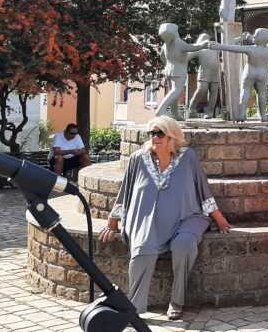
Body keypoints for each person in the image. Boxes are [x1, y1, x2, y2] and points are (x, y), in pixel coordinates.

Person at [99, 116, 231, 320]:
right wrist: (113, 221)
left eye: (160, 133)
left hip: (187, 217)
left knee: (184, 245)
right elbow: (125, 191)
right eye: (152, 133)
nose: (155, 137)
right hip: (148, 221)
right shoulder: (138, 158)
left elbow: (202, 189)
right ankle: (134, 309)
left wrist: (219, 218)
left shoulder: (188, 157)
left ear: (172, 136)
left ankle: (177, 301)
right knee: (142, 250)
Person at [205, 28, 268, 121]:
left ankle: (241, 114)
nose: (253, 36)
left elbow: (234, 48)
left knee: (246, 90)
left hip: (253, 72)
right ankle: (264, 116)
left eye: (255, 35)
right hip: (263, 74)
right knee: (264, 93)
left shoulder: (252, 48)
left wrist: (219, 46)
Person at [156, 23, 206, 121]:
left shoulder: (166, 45)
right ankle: (160, 110)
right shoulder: (179, 43)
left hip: (168, 70)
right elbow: (192, 48)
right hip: (178, 71)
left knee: (173, 93)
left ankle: (175, 114)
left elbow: (162, 57)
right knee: (176, 91)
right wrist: (203, 45)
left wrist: (168, 64)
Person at [187, 33, 221, 119]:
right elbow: (188, 56)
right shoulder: (199, 49)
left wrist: (239, 39)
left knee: (214, 93)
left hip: (215, 74)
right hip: (204, 74)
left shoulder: (215, 47)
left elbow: (227, 45)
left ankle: (209, 112)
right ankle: (192, 108)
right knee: (202, 90)